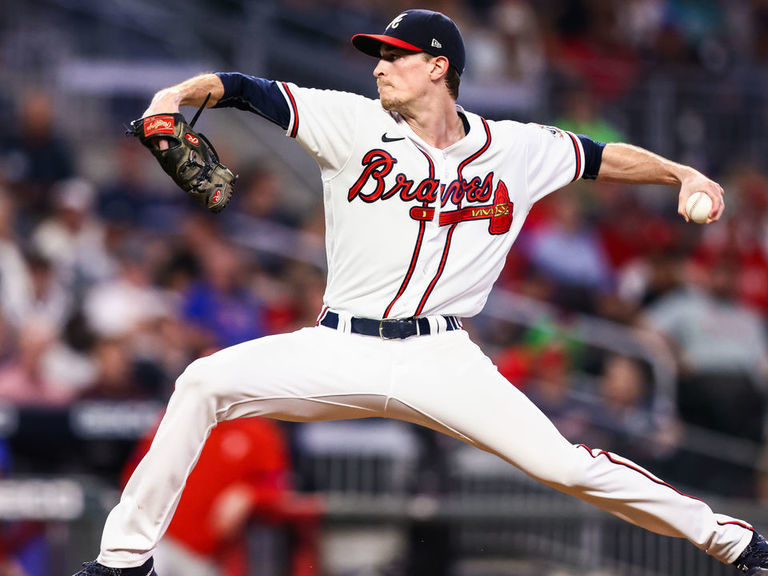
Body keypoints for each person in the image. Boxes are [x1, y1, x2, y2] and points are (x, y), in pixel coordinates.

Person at [74, 9, 768, 576]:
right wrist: (174, 98)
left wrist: (680, 173)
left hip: (444, 358)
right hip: (341, 344)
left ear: (439, 67)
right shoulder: (349, 121)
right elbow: (239, 86)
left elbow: (600, 157)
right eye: (378, 54)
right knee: (201, 383)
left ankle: (736, 543)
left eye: (396, 54)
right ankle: (125, 563)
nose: (379, 64)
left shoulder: (513, 147)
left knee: (568, 467)